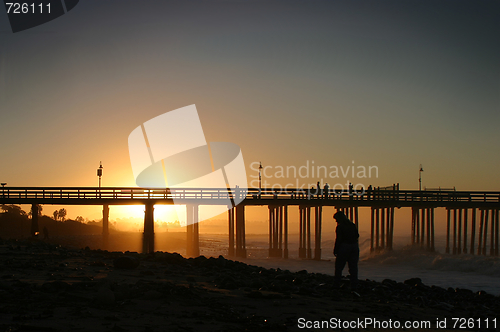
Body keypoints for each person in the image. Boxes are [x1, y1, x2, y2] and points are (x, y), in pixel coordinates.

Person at [333, 210, 359, 289]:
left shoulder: (340, 227)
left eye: (336, 219)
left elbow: (339, 239)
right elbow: (357, 235)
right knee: (353, 267)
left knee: (339, 266)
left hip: (344, 246)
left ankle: (336, 284)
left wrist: (336, 249)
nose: (336, 221)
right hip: (354, 246)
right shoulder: (352, 225)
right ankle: (354, 285)